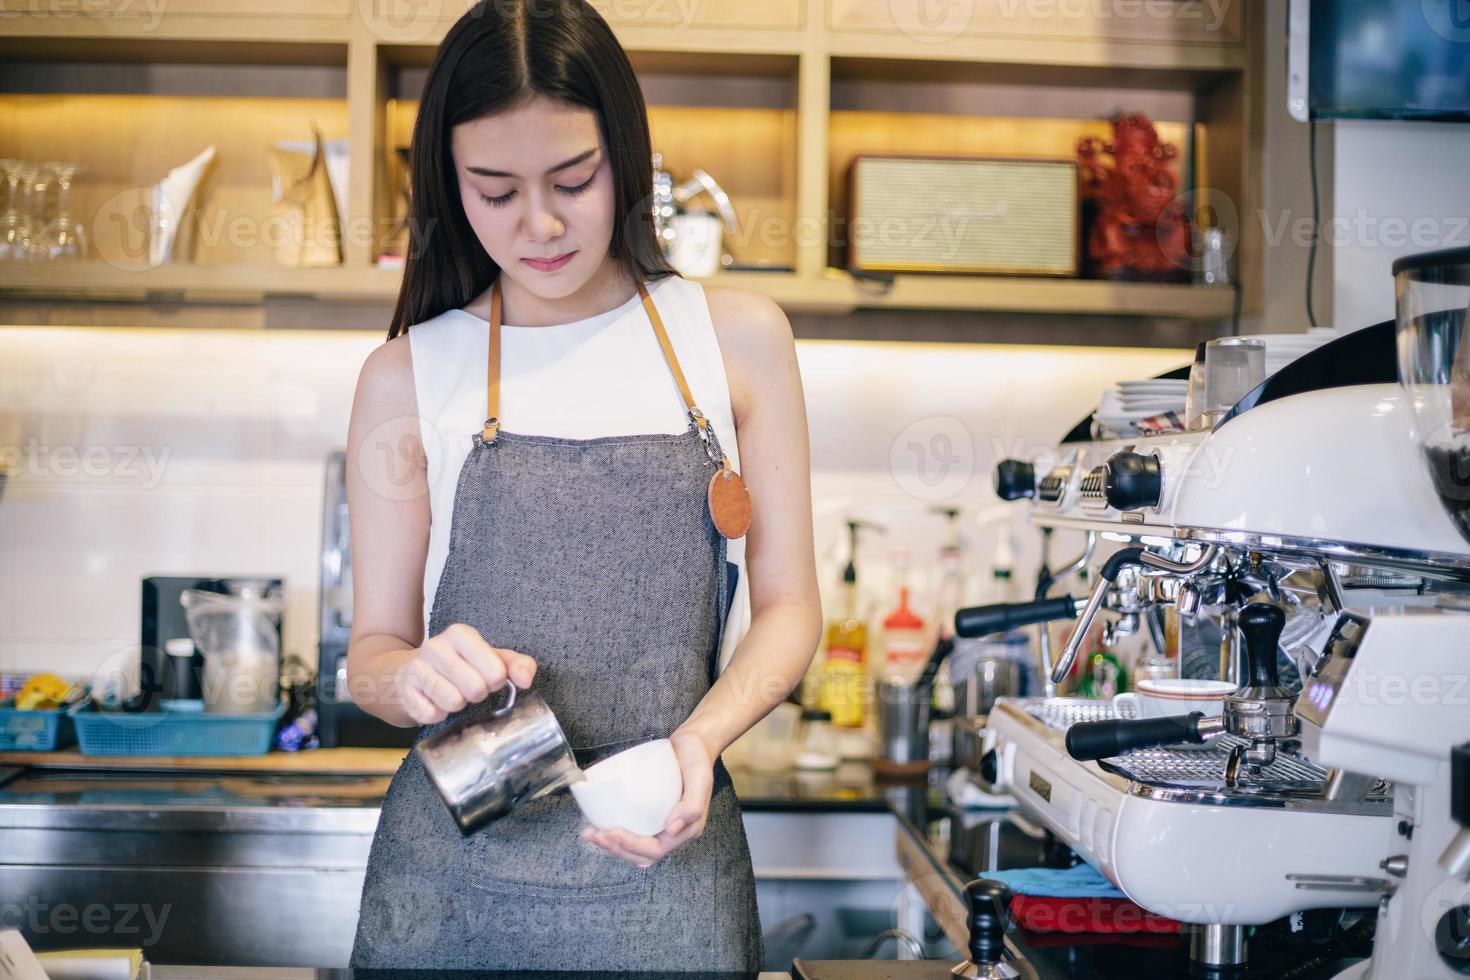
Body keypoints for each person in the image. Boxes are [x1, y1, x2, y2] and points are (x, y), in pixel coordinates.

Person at [343, 0, 822, 970]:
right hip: (447, 890)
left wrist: (700, 742)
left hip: (671, 867)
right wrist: (411, 673)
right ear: (450, 184)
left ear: (627, 155)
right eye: (495, 189)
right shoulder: (405, 373)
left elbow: (792, 609)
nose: (542, 222)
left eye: (574, 177)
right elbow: (368, 659)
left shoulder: (736, 341)